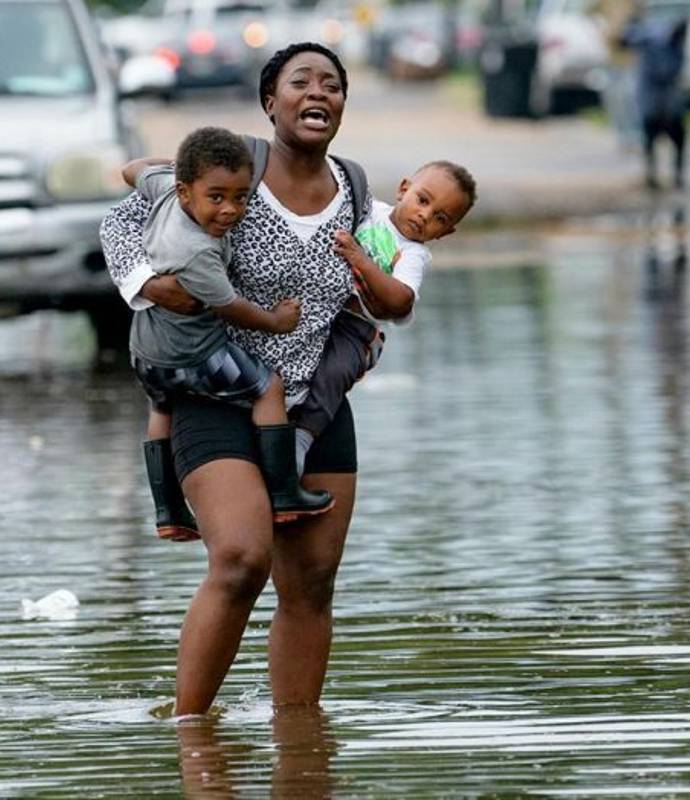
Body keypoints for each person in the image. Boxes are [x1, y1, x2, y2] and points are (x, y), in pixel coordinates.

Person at [101, 42, 370, 714]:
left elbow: (374, 290)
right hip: (214, 389)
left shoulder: (356, 187)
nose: (319, 93)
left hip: (313, 407)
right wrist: (148, 285)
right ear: (269, 101)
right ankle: (191, 734)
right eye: (300, 81)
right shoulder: (228, 164)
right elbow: (122, 217)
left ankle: (301, 748)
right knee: (242, 559)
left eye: (332, 84)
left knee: (311, 583)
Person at [118, 126, 333, 540]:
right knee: (268, 388)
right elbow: (230, 308)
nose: (230, 210)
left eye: (240, 197)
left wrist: (173, 168)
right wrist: (276, 321)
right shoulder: (196, 249)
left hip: (146, 352)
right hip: (195, 355)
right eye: (216, 197)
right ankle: (285, 491)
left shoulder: (162, 186)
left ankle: (168, 511)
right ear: (186, 192)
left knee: (162, 409)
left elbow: (131, 169)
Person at [291, 160, 477, 468]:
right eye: (423, 200)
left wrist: (360, 259)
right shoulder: (368, 210)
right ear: (404, 189)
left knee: (334, 373)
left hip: (356, 327)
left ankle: (302, 439)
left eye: (439, 218)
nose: (424, 215)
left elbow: (401, 300)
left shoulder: (413, 254)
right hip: (319, 304)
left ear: (445, 233)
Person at [621, 11, 690, 190]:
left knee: (679, 138)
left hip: (670, 103)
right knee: (650, 138)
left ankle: (677, 176)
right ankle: (651, 176)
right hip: (652, 101)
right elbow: (628, 38)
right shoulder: (655, 39)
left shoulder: (678, 47)